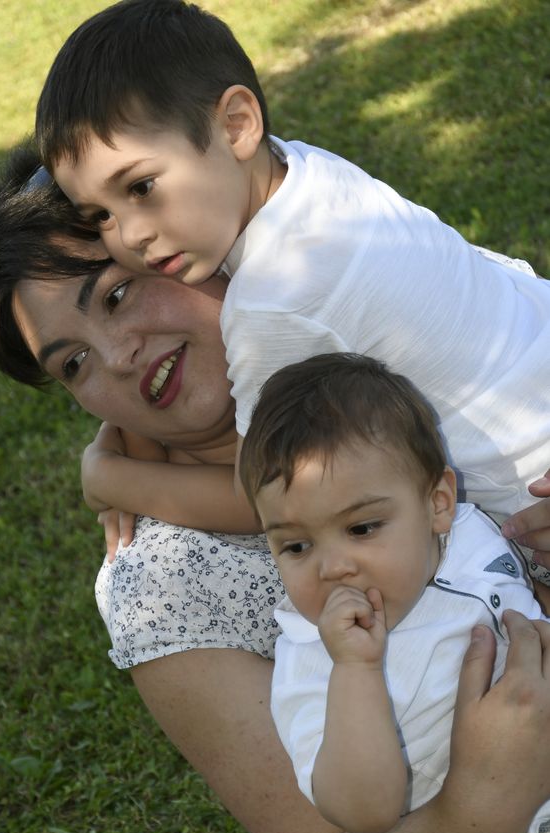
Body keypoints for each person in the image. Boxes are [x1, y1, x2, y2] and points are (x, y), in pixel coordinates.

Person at [0, 145, 550, 833]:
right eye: (73, 365)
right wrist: (484, 799)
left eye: (118, 295)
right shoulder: (163, 581)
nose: (118, 358)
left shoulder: (364, 345)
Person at [34, 0, 550, 554]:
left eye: (139, 187)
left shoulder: (270, 305)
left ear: (238, 125)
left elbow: (264, 501)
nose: (129, 235)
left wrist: (108, 477)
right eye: (100, 216)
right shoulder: (307, 171)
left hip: (529, 486)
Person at [239, 352, 549, 833]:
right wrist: (356, 670)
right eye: (296, 545)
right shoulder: (314, 661)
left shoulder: (472, 534)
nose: (333, 566)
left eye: (361, 528)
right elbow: (366, 812)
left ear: (439, 503)